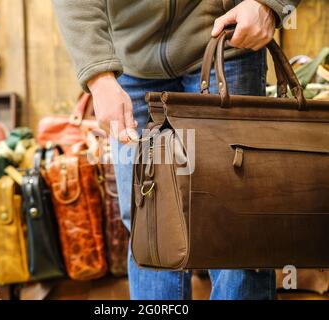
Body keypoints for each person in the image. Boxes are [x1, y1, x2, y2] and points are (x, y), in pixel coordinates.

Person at [53, 0, 300, 300]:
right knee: (149, 228)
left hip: (226, 43)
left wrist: (270, 4)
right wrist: (99, 76)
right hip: (131, 63)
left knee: (237, 220)